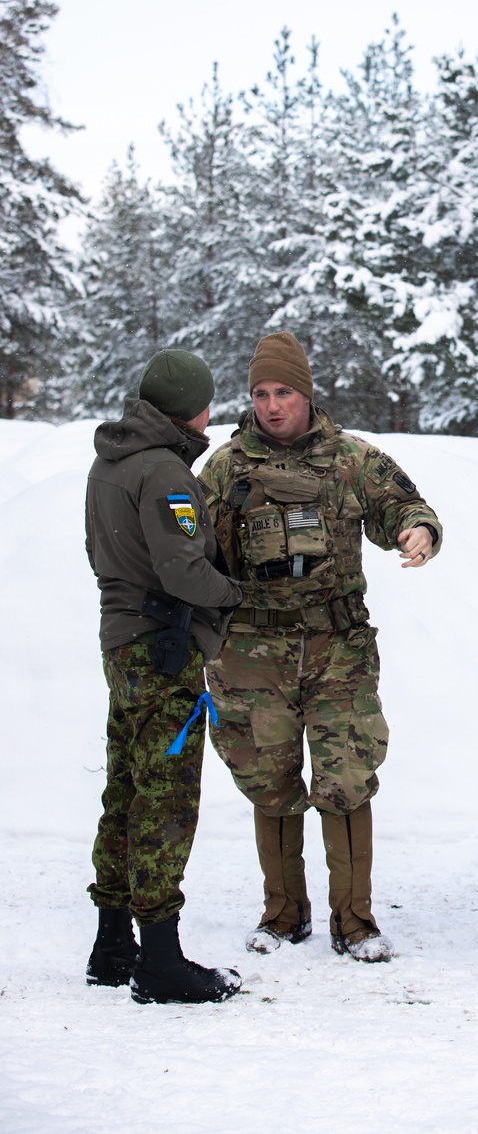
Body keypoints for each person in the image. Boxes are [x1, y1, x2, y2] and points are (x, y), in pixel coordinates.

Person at [199, 331, 442, 962]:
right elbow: (190, 543)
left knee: (347, 778)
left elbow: (404, 505)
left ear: (306, 393)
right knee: (267, 781)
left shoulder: (353, 459)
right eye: (260, 393)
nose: (272, 405)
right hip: (251, 651)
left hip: (337, 649)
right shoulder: (225, 467)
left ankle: (354, 920)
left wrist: (417, 532)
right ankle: (282, 914)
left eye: (283, 392)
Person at [85, 348, 244, 1004]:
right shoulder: (166, 472)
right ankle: (160, 960)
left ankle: (111, 943)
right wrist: (234, 592)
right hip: (164, 652)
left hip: (122, 643)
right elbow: (182, 570)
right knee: (167, 798)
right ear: (190, 408)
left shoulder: (110, 459)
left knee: (124, 789)